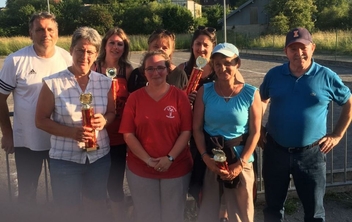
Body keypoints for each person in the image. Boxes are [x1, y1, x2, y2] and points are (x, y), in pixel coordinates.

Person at [259, 27, 352, 222]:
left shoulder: (326, 76)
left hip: (311, 155)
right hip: (275, 152)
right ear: (286, 51)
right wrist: (257, 129)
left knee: (314, 213)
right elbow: (260, 101)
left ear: (312, 48)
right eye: (293, 48)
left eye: (303, 47)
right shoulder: (274, 75)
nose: (298, 53)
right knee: (273, 209)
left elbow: (349, 102)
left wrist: (337, 135)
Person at [35, 26, 115, 221]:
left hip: (99, 158)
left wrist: (104, 120)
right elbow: (40, 120)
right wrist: (71, 133)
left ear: (97, 54)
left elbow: (112, 113)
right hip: (65, 160)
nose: (84, 56)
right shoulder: (52, 83)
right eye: (80, 49)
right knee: (67, 211)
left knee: (96, 208)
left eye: (90, 51)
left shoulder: (105, 82)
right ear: (71, 50)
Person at [0, 12, 71, 204]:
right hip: (27, 142)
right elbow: (0, 98)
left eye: (50, 29)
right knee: (28, 195)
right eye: (39, 29)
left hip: (60, 141)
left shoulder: (67, 58)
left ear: (57, 32)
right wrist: (7, 133)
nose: (45, 34)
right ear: (30, 33)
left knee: (64, 195)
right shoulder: (15, 60)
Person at [119, 50, 193, 222]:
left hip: (176, 168)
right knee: (147, 216)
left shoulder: (179, 97)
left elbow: (186, 132)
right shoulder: (134, 98)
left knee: (173, 216)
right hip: (141, 169)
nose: (155, 73)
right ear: (144, 72)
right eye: (150, 68)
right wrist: (147, 160)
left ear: (168, 70)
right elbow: (128, 134)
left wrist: (170, 158)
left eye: (160, 68)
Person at [193, 43, 262, 222]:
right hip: (211, 160)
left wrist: (240, 164)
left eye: (227, 62)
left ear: (237, 63)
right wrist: (205, 157)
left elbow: (255, 133)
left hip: (240, 160)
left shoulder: (251, 93)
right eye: (217, 64)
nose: (222, 68)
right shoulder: (204, 91)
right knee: (208, 212)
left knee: (242, 215)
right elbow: (197, 129)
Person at [91, 27, 133, 216]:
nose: (115, 47)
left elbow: (134, 101)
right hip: (97, 135)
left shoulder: (128, 70)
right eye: (112, 43)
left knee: (115, 184)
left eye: (120, 44)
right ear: (104, 45)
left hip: (119, 137)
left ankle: (119, 217)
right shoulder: (93, 66)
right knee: (94, 185)